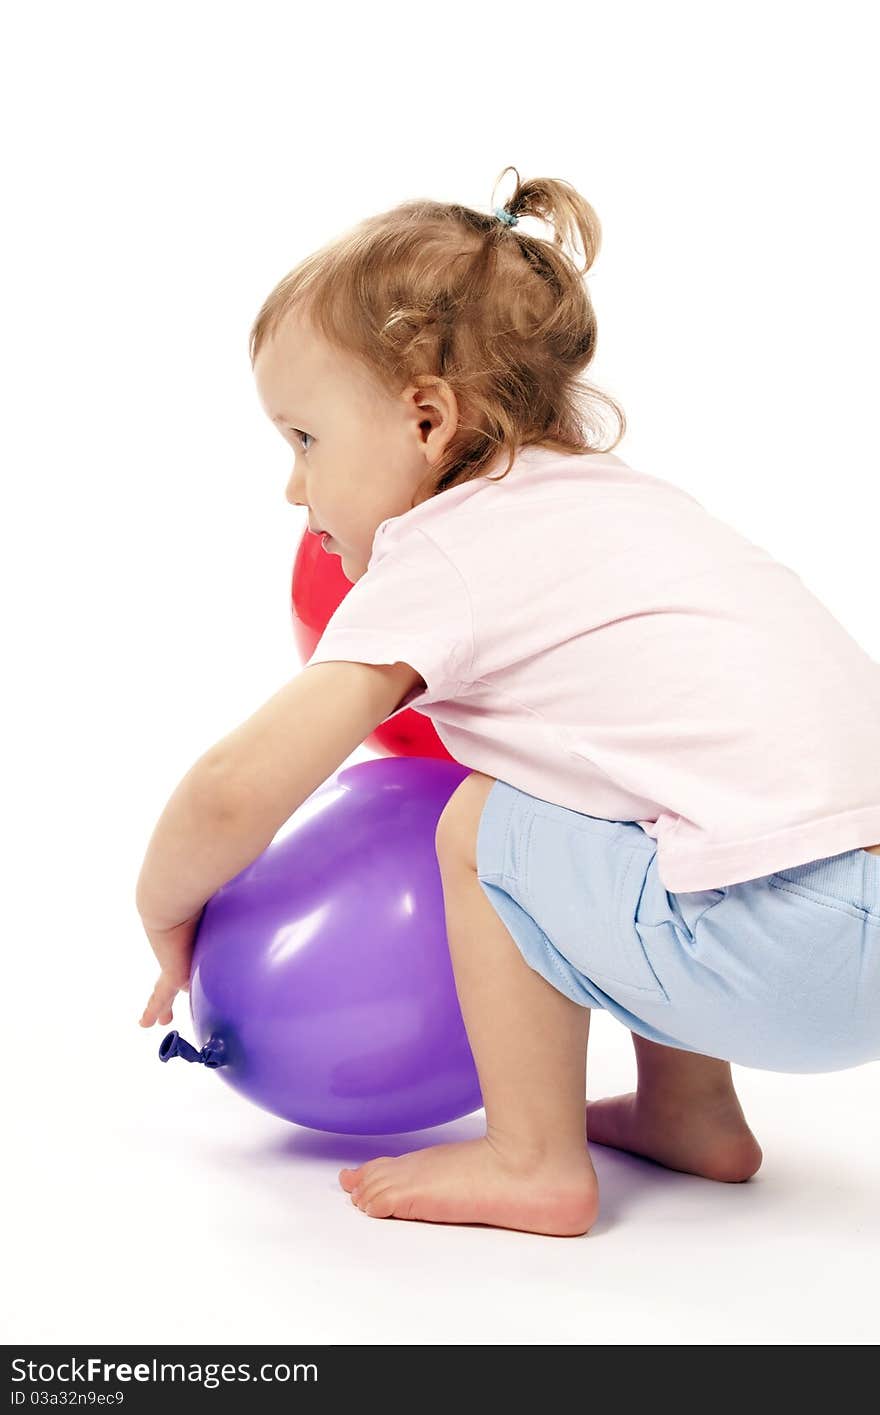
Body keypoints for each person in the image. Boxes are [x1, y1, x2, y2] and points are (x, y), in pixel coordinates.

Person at [136, 166, 880, 1238]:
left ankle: (532, 1162)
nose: (293, 488)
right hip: (845, 914)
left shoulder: (444, 552)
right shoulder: (614, 507)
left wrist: (166, 908)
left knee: (487, 821)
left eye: (303, 439)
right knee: (632, 793)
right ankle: (692, 1112)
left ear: (427, 418)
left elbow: (234, 786)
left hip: (792, 941)